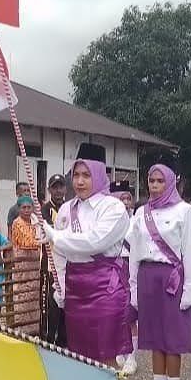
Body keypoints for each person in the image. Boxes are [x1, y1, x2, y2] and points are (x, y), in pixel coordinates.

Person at [39, 144, 131, 367]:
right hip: (75, 287)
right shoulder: (66, 208)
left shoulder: (113, 208)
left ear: (99, 175)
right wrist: (59, 286)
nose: (79, 182)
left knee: (105, 353)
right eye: (76, 175)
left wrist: (56, 235)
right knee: (80, 355)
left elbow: (94, 241)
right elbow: (59, 255)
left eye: (86, 175)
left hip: (105, 286)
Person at [129, 156, 191, 380]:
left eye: (160, 181)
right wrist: (133, 287)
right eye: (151, 180)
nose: (155, 185)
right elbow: (135, 252)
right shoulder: (141, 212)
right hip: (148, 276)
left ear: (171, 182)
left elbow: (188, 251)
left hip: (172, 277)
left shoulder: (184, 211)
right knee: (154, 338)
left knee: (172, 338)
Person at [111, 180, 139, 375]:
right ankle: (116, 350)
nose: (126, 202)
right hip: (111, 268)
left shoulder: (137, 220)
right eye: (122, 198)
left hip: (130, 267)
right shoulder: (106, 220)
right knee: (113, 313)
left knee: (130, 315)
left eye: (128, 198)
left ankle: (132, 357)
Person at [40, 174, 68, 346]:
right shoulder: (44, 209)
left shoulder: (70, 207)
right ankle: (48, 339)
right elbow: (50, 232)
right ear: (50, 189)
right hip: (49, 263)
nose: (58, 191)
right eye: (54, 187)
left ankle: (64, 340)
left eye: (61, 186)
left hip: (66, 261)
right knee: (49, 304)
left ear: (65, 188)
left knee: (65, 302)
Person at [11, 195, 42, 333]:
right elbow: (27, 242)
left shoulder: (34, 222)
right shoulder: (17, 223)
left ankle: (34, 328)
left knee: (34, 295)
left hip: (34, 264)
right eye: (24, 207)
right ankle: (23, 329)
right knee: (23, 295)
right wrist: (45, 241)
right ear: (19, 209)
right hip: (23, 264)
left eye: (29, 207)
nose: (26, 210)